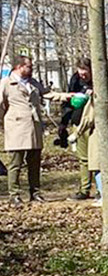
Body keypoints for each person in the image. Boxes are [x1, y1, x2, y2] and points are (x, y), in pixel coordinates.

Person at [1, 55, 71, 205]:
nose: (32, 69)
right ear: (19, 67)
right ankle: (14, 195)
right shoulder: (6, 83)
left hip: (34, 127)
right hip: (16, 128)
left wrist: (66, 96)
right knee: (15, 164)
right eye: (29, 66)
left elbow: (47, 94)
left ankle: (35, 193)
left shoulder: (33, 82)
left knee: (34, 162)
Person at [60, 59, 95, 200]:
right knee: (83, 159)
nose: (83, 76)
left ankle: (102, 190)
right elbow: (68, 102)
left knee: (97, 158)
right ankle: (84, 189)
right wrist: (63, 123)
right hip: (78, 123)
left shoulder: (102, 80)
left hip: (94, 125)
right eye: (80, 73)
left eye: (85, 73)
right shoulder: (75, 80)